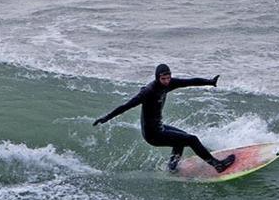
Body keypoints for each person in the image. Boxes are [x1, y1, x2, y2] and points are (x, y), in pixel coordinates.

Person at [93, 64, 236, 173]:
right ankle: (218, 165)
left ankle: (172, 167)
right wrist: (106, 118)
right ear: (157, 78)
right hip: (153, 134)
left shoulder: (169, 83)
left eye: (168, 78)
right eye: (163, 79)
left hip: (159, 127)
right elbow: (126, 106)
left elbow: (190, 82)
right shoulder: (148, 91)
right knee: (192, 139)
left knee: (182, 138)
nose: (167, 81)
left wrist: (209, 82)